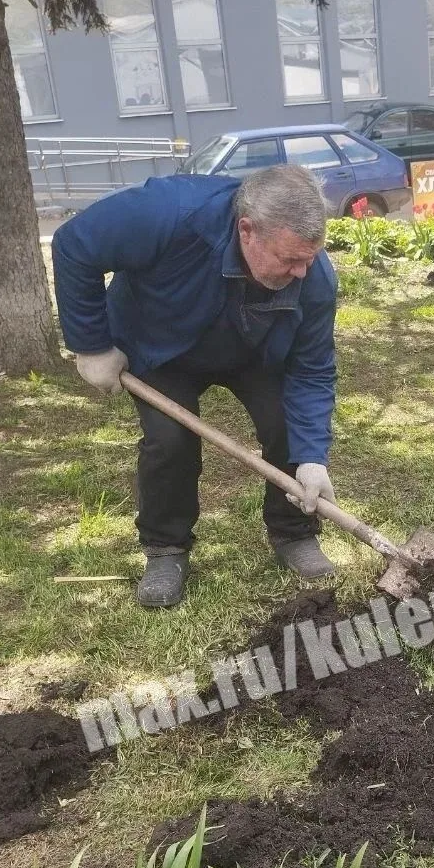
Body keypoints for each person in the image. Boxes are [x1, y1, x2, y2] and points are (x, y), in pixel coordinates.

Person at [52, 164, 337, 609]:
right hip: (160, 347)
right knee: (171, 440)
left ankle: (294, 533)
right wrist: (91, 345)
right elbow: (74, 245)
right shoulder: (167, 212)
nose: (302, 272)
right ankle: (166, 548)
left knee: (286, 426)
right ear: (247, 230)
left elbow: (312, 370)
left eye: (310, 258)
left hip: (254, 349)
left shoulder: (313, 278)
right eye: (289, 259)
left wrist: (312, 457)